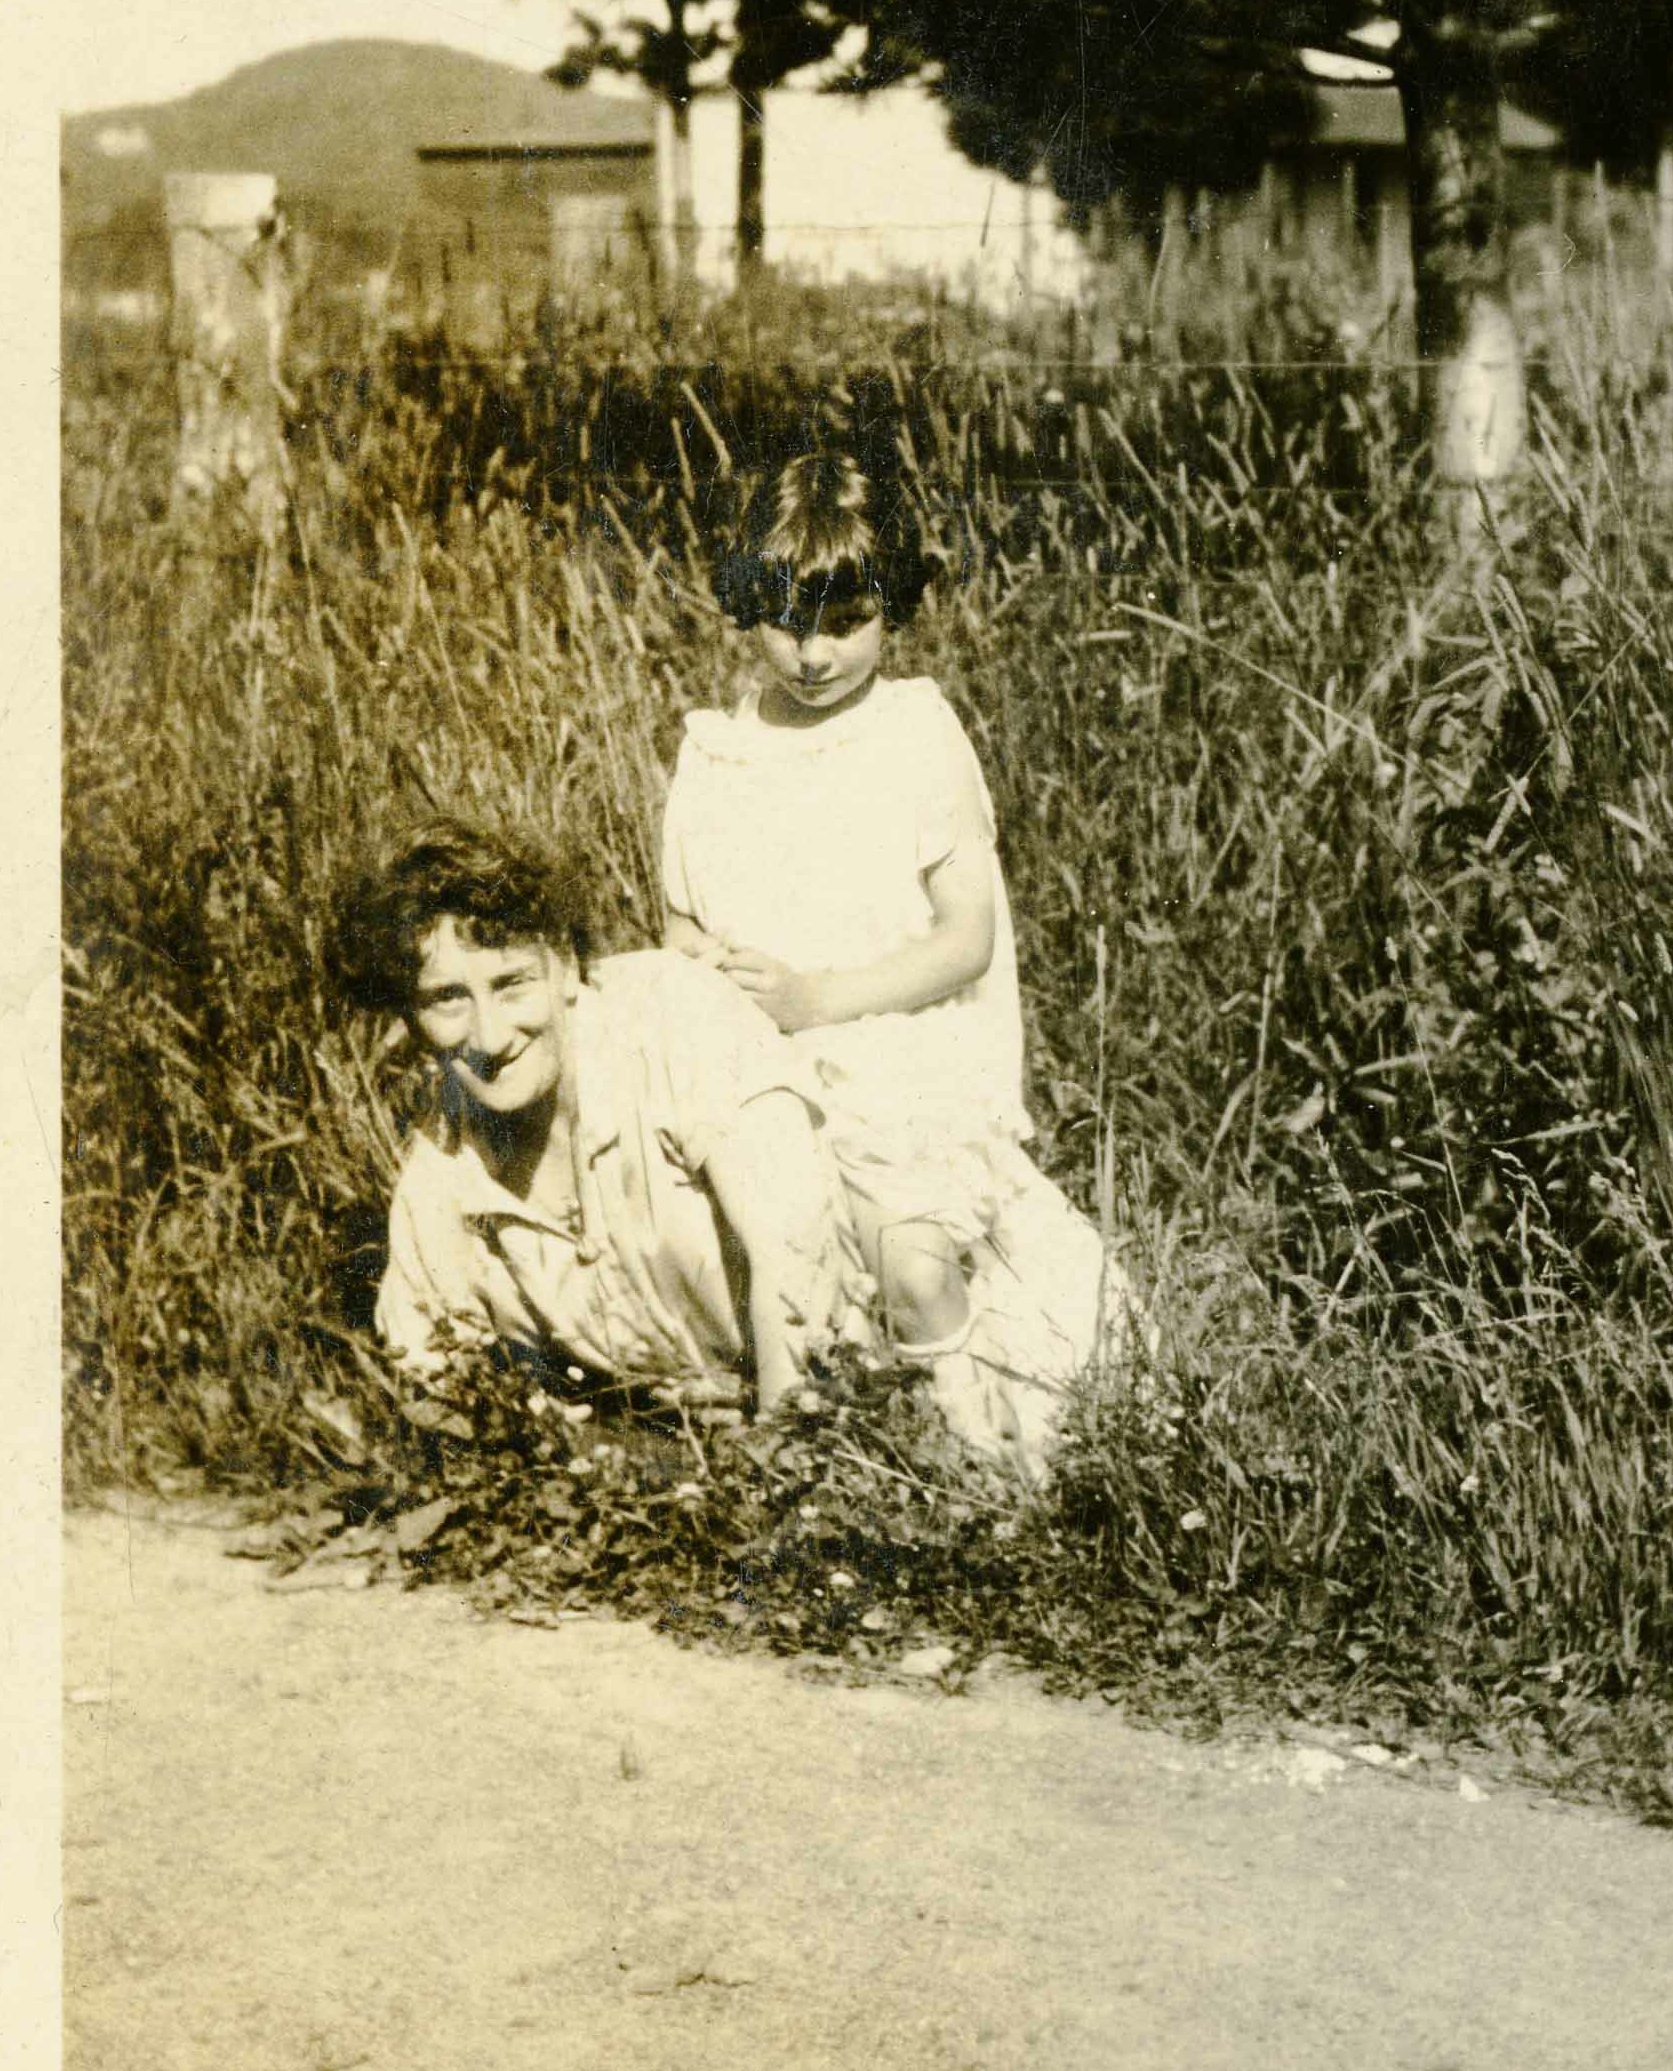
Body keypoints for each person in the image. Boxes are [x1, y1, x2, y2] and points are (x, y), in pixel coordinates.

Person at [659, 442, 1122, 1467]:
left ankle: (977, 1461)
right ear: (748, 604)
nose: (813, 655)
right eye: (786, 621)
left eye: (844, 622)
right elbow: (682, 929)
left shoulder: (914, 734)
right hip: (766, 1061)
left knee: (911, 1262)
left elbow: (965, 941)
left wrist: (816, 997)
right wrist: (726, 996)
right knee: (773, 1255)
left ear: (891, 609)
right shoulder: (718, 753)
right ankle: (829, 1458)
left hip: (898, 1051)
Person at [331, 823, 861, 1412]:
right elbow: (430, 1378)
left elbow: (798, 1262)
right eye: (447, 998)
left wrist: (785, 1460)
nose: (489, 1035)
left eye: (512, 985)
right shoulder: (445, 1170)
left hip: (852, 1392)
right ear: (409, 1012)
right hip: (684, 1453)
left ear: (565, 966)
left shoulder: (678, 1020)